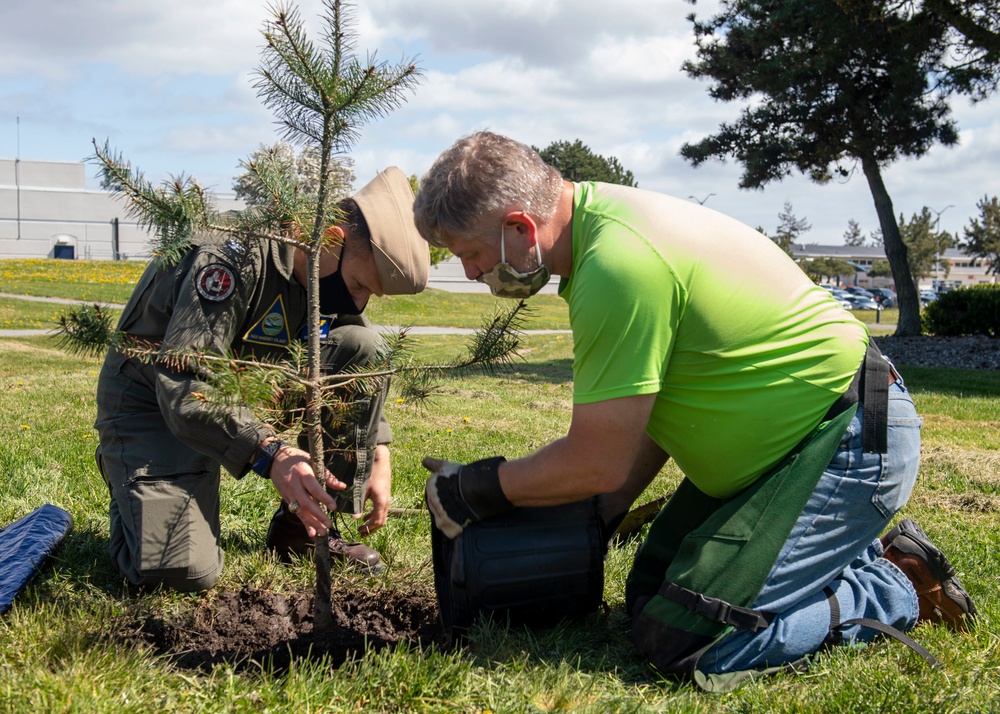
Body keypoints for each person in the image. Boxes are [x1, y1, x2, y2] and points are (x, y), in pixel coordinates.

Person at [412, 131, 976, 688]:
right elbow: (646, 424)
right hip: (778, 452)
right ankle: (832, 552)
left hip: (844, 443)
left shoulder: (618, 264)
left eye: (471, 254)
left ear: (519, 228)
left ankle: (891, 584)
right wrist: (599, 519)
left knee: (686, 638)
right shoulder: (601, 231)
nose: (469, 272)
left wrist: (480, 488)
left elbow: (597, 461)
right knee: (649, 599)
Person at [95, 166, 429, 591]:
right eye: (361, 284)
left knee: (363, 343)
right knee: (180, 573)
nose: (360, 300)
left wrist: (377, 448)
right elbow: (187, 379)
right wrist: (271, 454)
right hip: (157, 400)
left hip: (249, 385)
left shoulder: (326, 271)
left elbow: (352, 348)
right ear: (329, 237)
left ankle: (305, 529)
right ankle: (133, 476)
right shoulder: (229, 257)